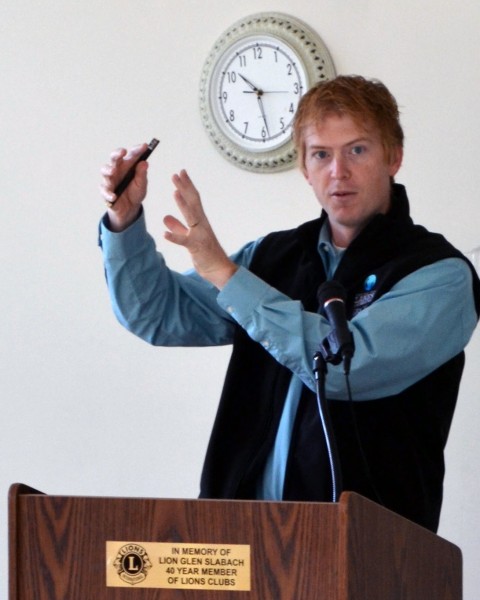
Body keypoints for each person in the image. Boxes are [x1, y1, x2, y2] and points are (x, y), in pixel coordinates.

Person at [98, 75, 480, 533]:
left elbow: (344, 368)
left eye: (357, 150)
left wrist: (225, 273)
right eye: (321, 154)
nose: (338, 171)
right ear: (303, 166)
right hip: (237, 540)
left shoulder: (440, 274)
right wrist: (124, 220)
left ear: (394, 157)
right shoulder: (271, 257)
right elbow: (156, 313)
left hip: (369, 553)